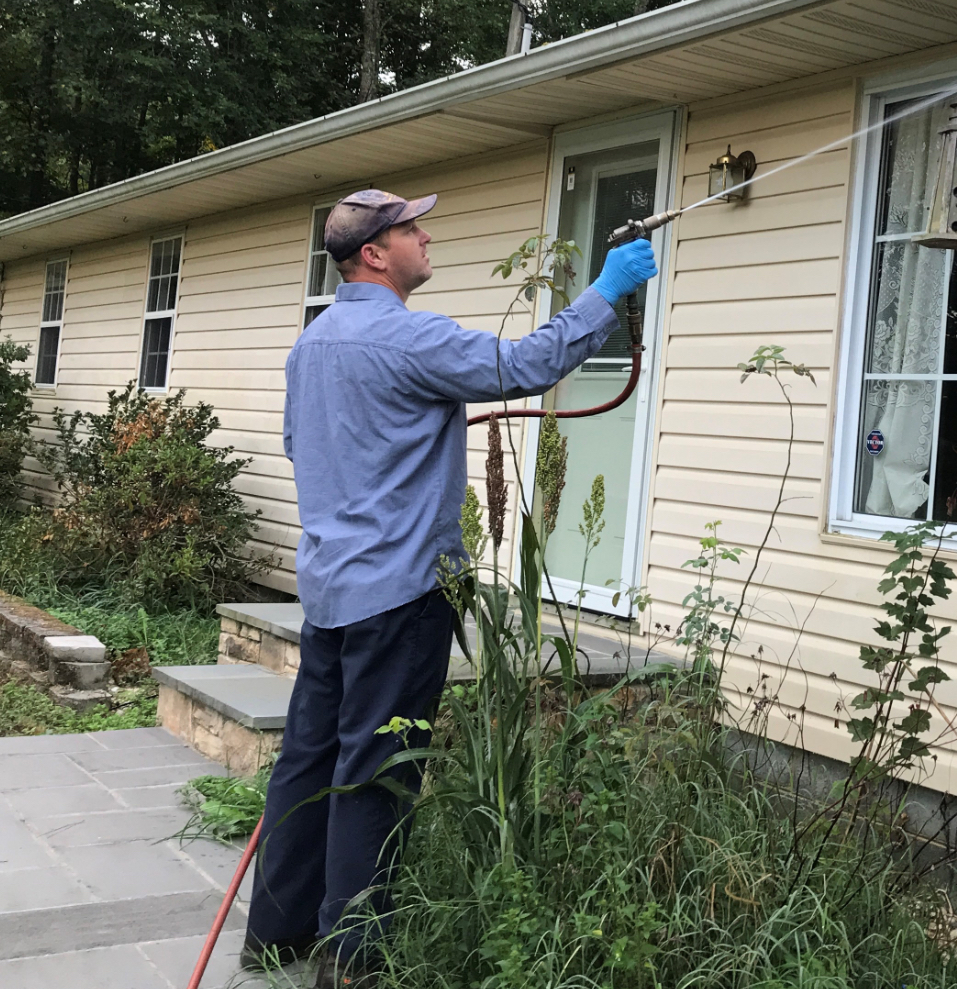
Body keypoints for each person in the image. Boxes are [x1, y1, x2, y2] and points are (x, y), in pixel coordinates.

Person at [242, 188, 657, 987]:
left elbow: (304, 447)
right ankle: (354, 960)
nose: (426, 236)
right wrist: (606, 292)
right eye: (411, 229)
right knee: (378, 768)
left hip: (329, 586)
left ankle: (274, 933)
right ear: (374, 253)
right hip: (399, 593)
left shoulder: (312, 343)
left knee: (308, 758)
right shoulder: (407, 338)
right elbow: (525, 366)